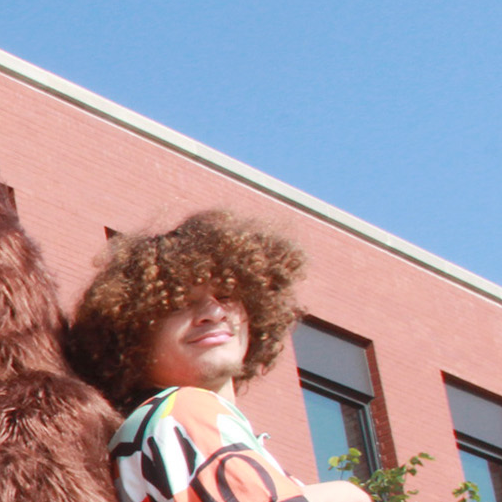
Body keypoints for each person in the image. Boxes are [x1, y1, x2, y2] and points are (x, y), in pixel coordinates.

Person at [67, 211, 371, 502]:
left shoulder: (161, 431)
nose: (213, 313)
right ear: (131, 334)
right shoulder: (183, 411)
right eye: (179, 303)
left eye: (226, 295)